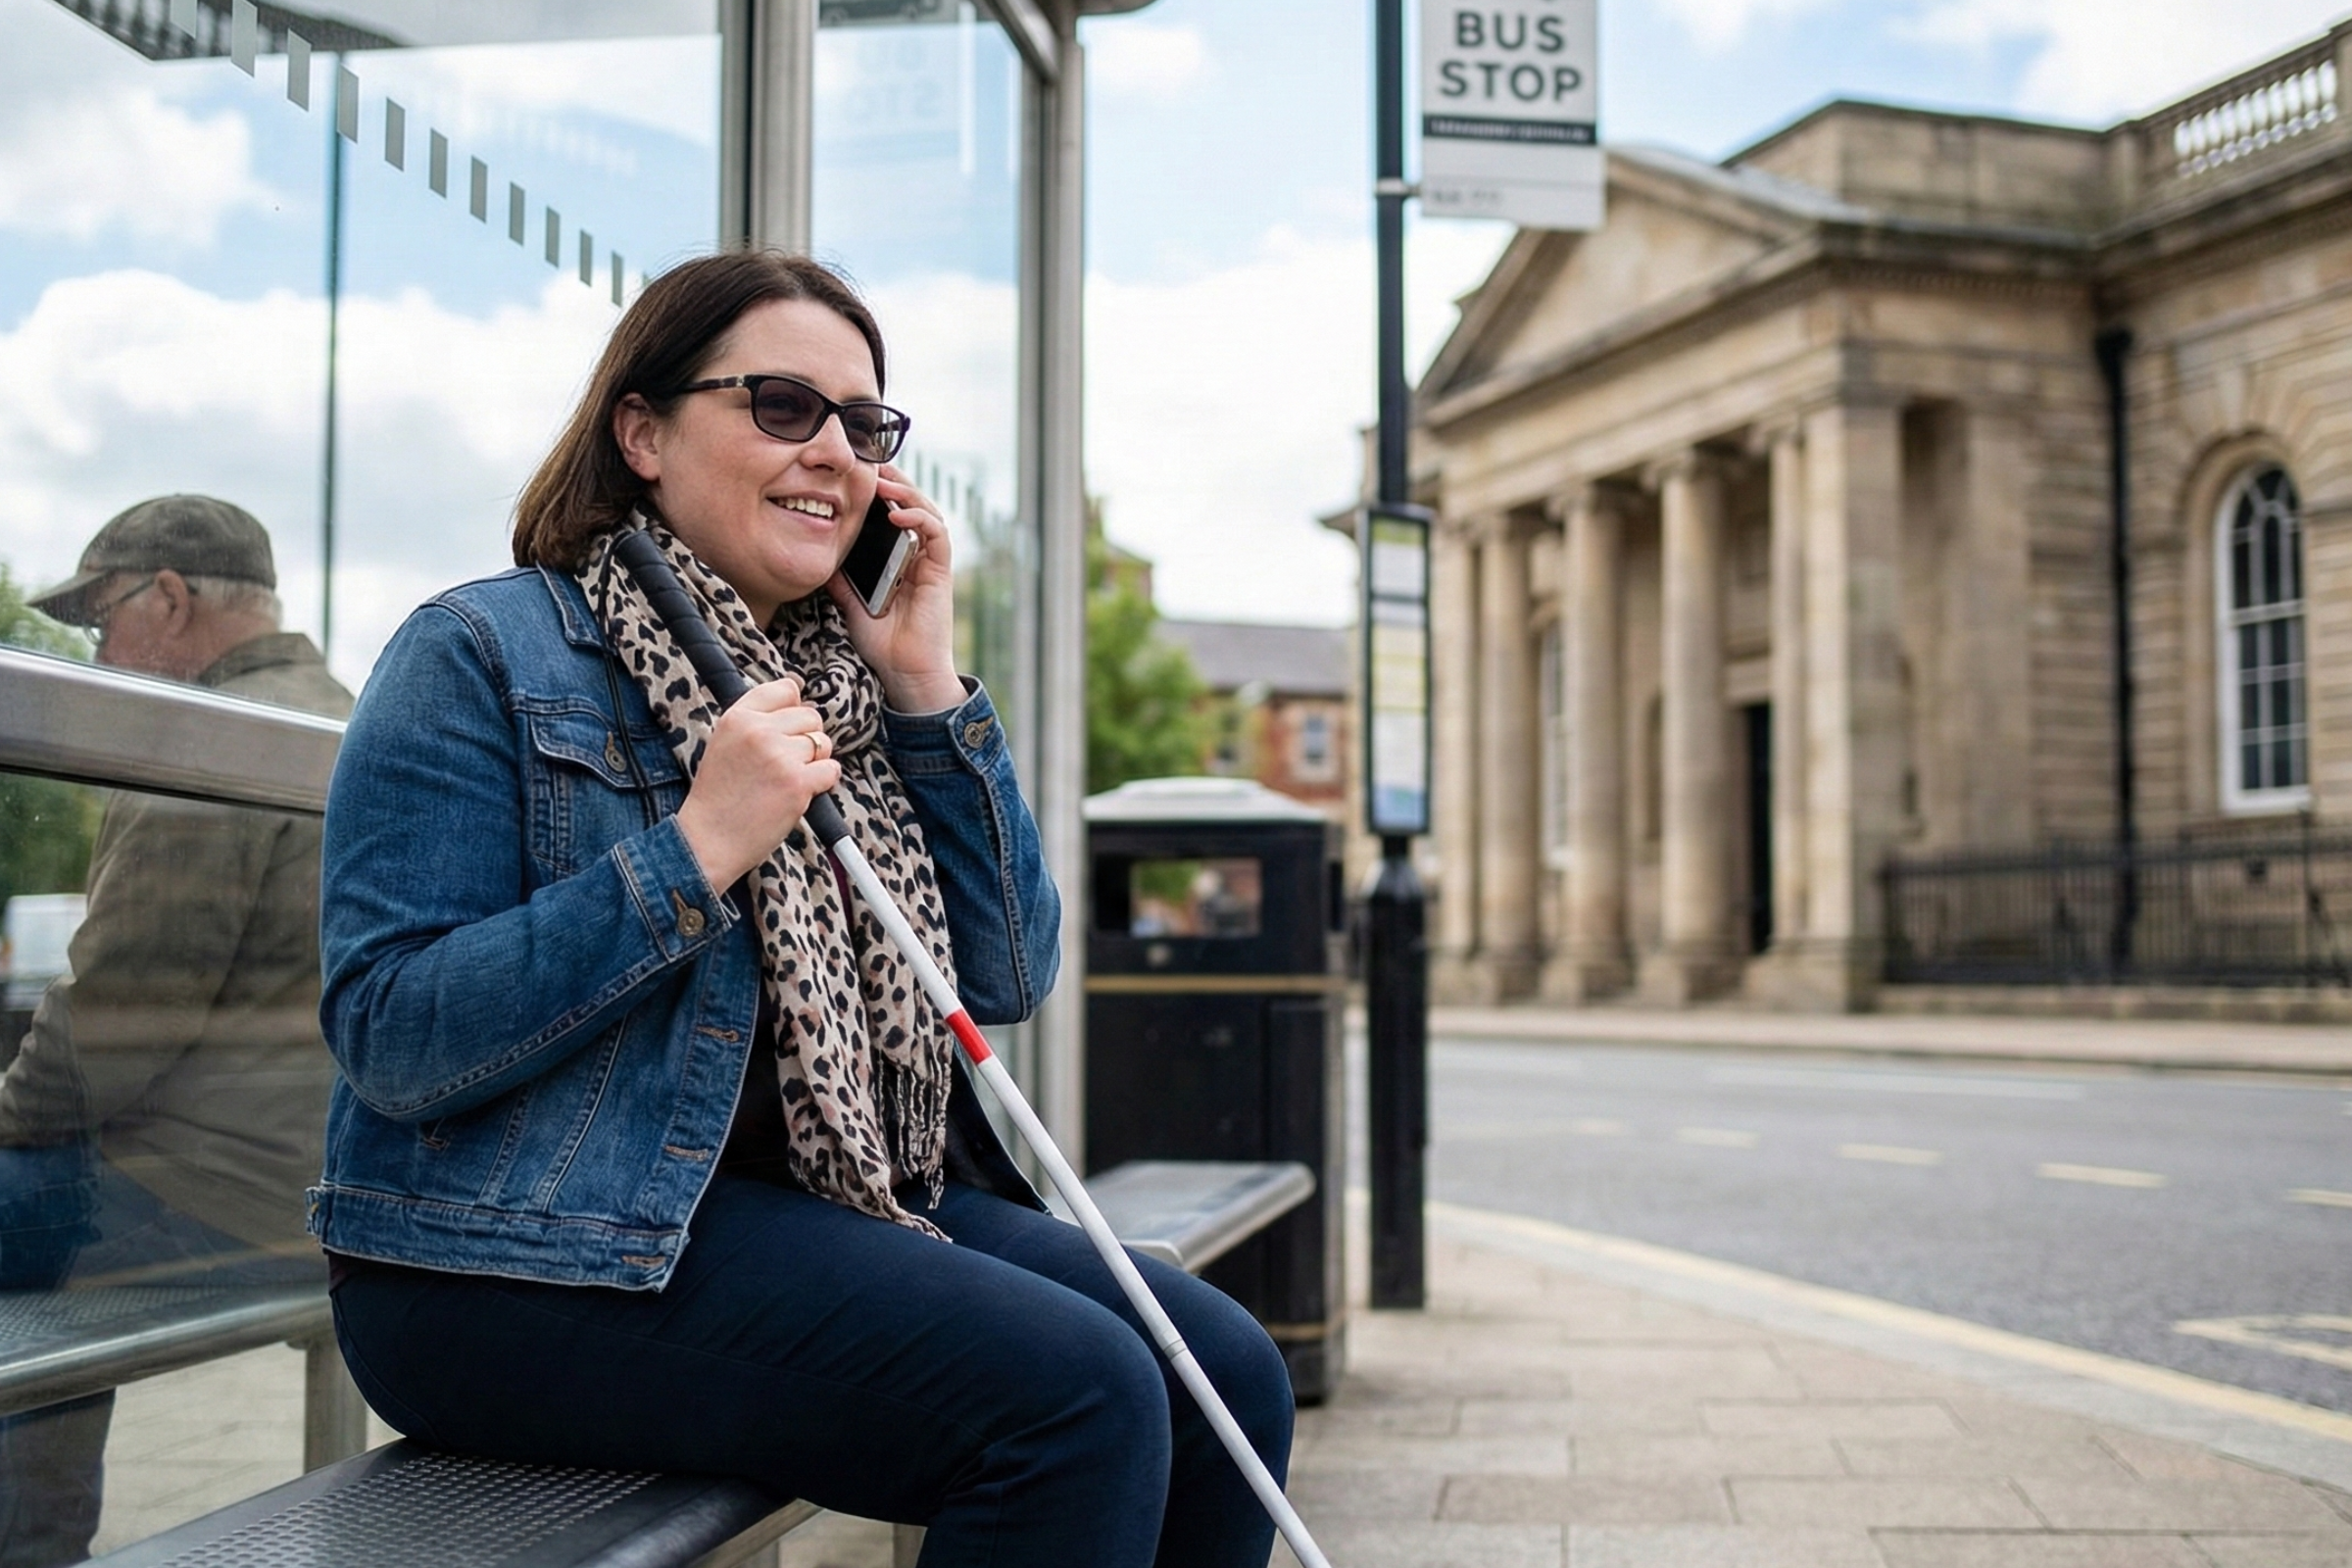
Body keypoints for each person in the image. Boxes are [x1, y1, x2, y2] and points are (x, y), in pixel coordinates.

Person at [312, 249, 1294, 1567]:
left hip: (837, 1200)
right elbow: (393, 1035)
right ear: (642, 432)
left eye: (864, 423)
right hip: (515, 1257)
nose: (834, 449)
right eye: (783, 405)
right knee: (1073, 1395)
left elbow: (1004, 970)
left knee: (1224, 1371)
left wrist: (928, 689)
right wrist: (698, 846)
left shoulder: (845, 689)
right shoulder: (483, 653)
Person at [0, 496, 353, 1566]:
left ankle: (28, 1542)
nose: (98, 649)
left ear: (168, 596)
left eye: (100, 617)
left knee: (32, 1192)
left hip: (210, 1194)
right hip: (317, 1186)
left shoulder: (201, 746)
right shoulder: (342, 713)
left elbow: (102, 1040)